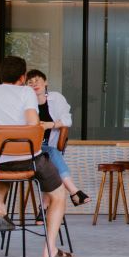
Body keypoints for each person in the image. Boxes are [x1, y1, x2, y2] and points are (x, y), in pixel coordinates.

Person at [0, 56, 71, 257]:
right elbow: (32, 124)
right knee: (59, 195)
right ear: (22, 77)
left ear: (1, 75)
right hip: (28, 160)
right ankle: (50, 250)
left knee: (0, 167)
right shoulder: (26, 92)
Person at [25, 69, 89, 206]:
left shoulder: (56, 98)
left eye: (37, 80)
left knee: (49, 159)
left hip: (49, 145)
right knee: (51, 155)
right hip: (30, 147)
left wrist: (50, 125)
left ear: (45, 82)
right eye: (30, 82)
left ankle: (43, 208)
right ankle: (74, 191)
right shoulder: (25, 103)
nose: (34, 84)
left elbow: (67, 121)